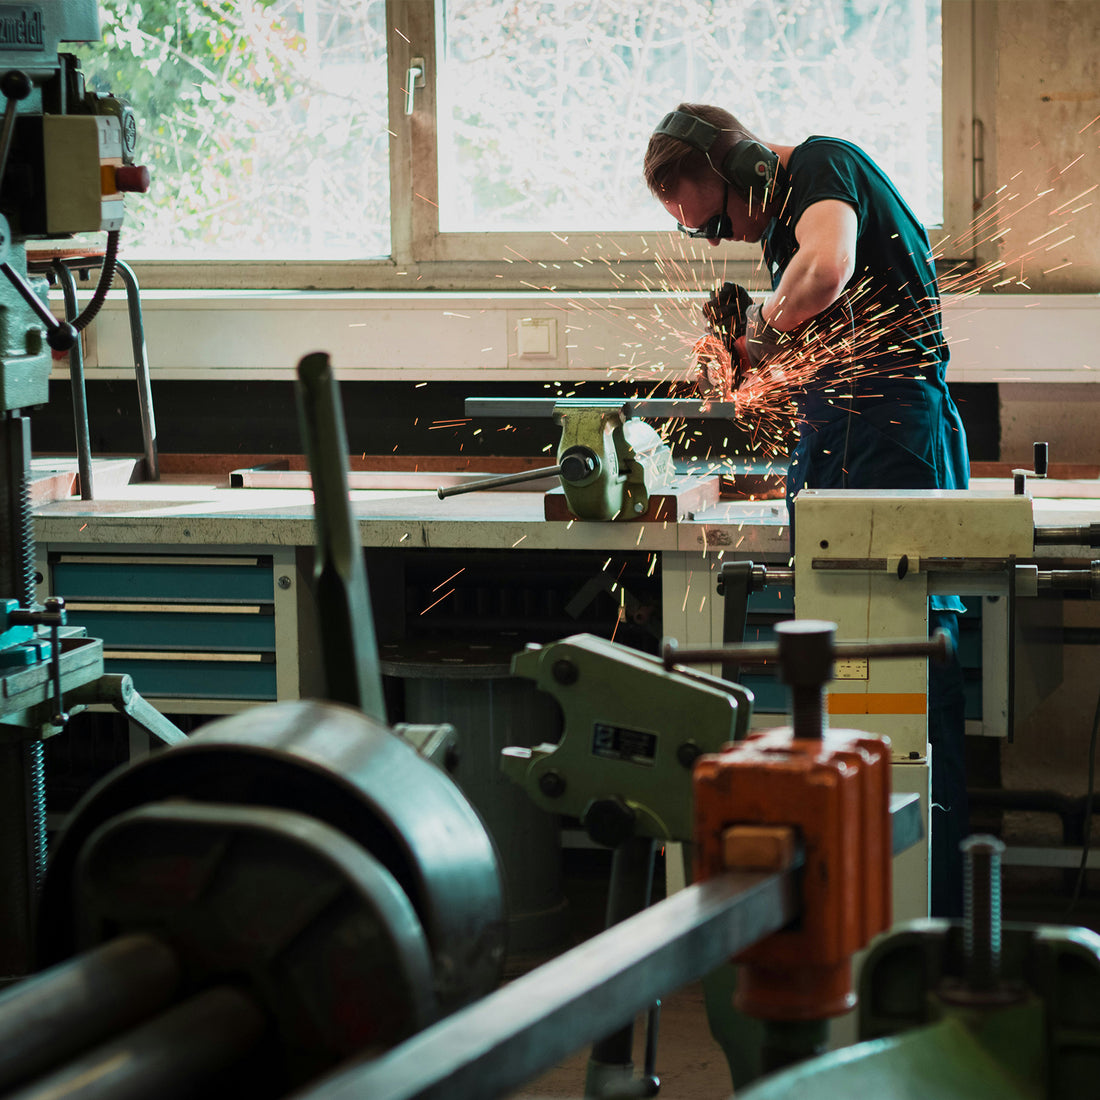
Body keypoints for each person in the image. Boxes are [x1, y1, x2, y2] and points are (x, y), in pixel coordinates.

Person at [644, 103, 970, 920]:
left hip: (890, 436)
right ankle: (863, 897)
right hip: (842, 434)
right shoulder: (779, 225)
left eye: (714, 221)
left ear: (747, 166)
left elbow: (824, 274)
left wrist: (759, 327)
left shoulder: (822, 167)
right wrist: (751, 353)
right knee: (850, 669)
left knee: (905, 673)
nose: (720, 240)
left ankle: (924, 911)